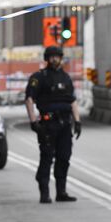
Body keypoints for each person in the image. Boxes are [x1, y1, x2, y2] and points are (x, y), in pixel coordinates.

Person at [25, 45, 82, 204]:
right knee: (47, 158)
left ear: (61, 58)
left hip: (65, 124)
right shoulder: (39, 77)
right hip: (48, 125)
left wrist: (77, 121)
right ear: (47, 59)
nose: (54, 59)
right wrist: (33, 122)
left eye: (57, 56)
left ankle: (61, 192)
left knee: (64, 157)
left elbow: (72, 101)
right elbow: (29, 99)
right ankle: (44, 192)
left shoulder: (66, 78)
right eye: (51, 56)